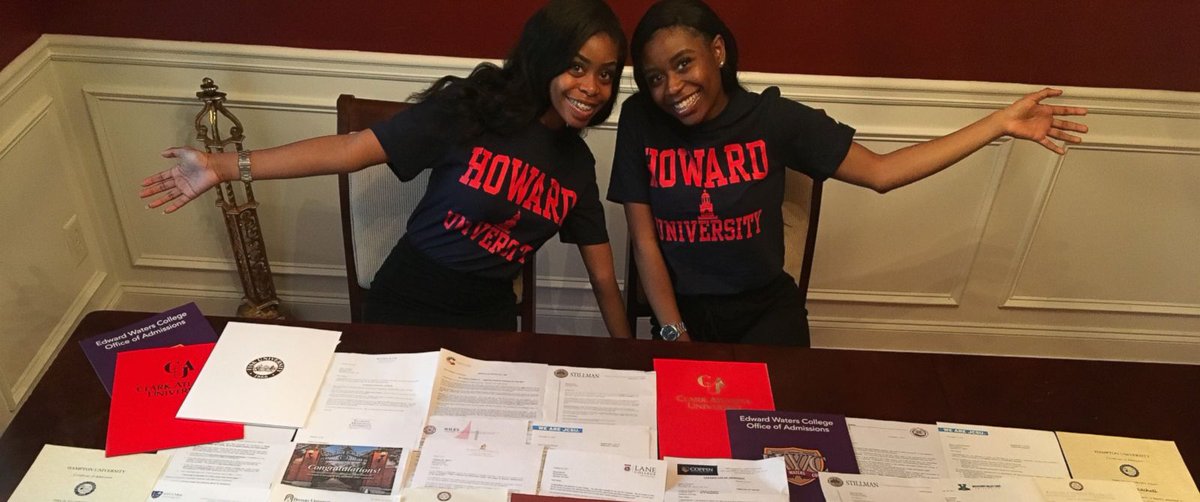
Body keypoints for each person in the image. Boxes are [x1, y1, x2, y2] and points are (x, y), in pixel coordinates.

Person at [608, 0, 1089, 346]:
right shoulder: (641, 121)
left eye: (684, 64)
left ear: (717, 51)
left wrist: (997, 124)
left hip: (766, 316)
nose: (673, 87)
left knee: (781, 443)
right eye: (655, 77)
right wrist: (674, 332)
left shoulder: (772, 119)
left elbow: (882, 172)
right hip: (685, 316)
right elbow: (645, 241)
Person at [140, 0, 633, 338]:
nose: (592, 87)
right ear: (545, 59)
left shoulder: (576, 168)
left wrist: (630, 357)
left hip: (488, 317)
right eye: (576, 66)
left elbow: (603, 278)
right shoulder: (472, 110)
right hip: (407, 300)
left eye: (606, 74)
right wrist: (222, 166)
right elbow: (351, 150)